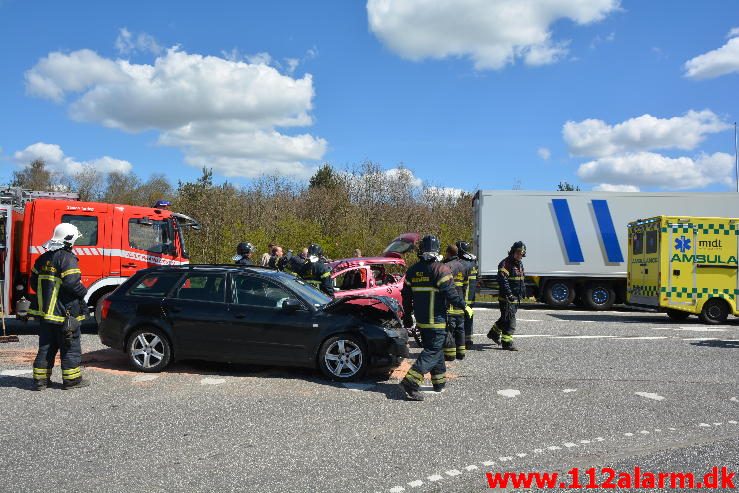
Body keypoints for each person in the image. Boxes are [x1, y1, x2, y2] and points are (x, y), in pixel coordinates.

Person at [400, 235, 471, 401]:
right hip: (437, 321)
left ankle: (439, 382)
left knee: (436, 349)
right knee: (432, 350)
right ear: (437, 249)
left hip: (422, 320)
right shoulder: (441, 270)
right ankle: (410, 382)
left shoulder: (412, 271)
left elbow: (406, 296)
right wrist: (464, 306)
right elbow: (452, 295)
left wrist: (407, 317)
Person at [29, 223, 89, 390]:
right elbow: (72, 284)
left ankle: (40, 381)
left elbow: (34, 282)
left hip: (46, 314)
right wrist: (83, 291)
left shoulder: (43, 258)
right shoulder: (67, 258)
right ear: (69, 240)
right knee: (70, 346)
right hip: (65, 314)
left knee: (46, 347)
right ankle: (72, 381)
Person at [487, 241, 526, 351]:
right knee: (510, 320)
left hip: (515, 297)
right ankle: (507, 342)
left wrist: (523, 291)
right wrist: (509, 294)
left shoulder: (519, 264)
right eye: (518, 253)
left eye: (522, 254)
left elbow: (521, 279)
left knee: (505, 318)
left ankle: (493, 333)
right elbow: (503, 281)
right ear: (513, 252)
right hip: (506, 297)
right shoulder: (505, 264)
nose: (520, 255)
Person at [443, 244, 468, 361]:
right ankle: (461, 353)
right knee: (460, 328)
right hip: (460, 301)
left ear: (448, 253)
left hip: (450, 303)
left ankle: (450, 354)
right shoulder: (463, 266)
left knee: (450, 328)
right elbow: (465, 285)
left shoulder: (446, 267)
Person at [456, 240, 478, 351]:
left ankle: (461, 341)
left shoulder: (461, 263)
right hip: (471, 296)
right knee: (469, 317)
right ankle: (468, 340)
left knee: (460, 319)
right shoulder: (473, 262)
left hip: (463, 296)